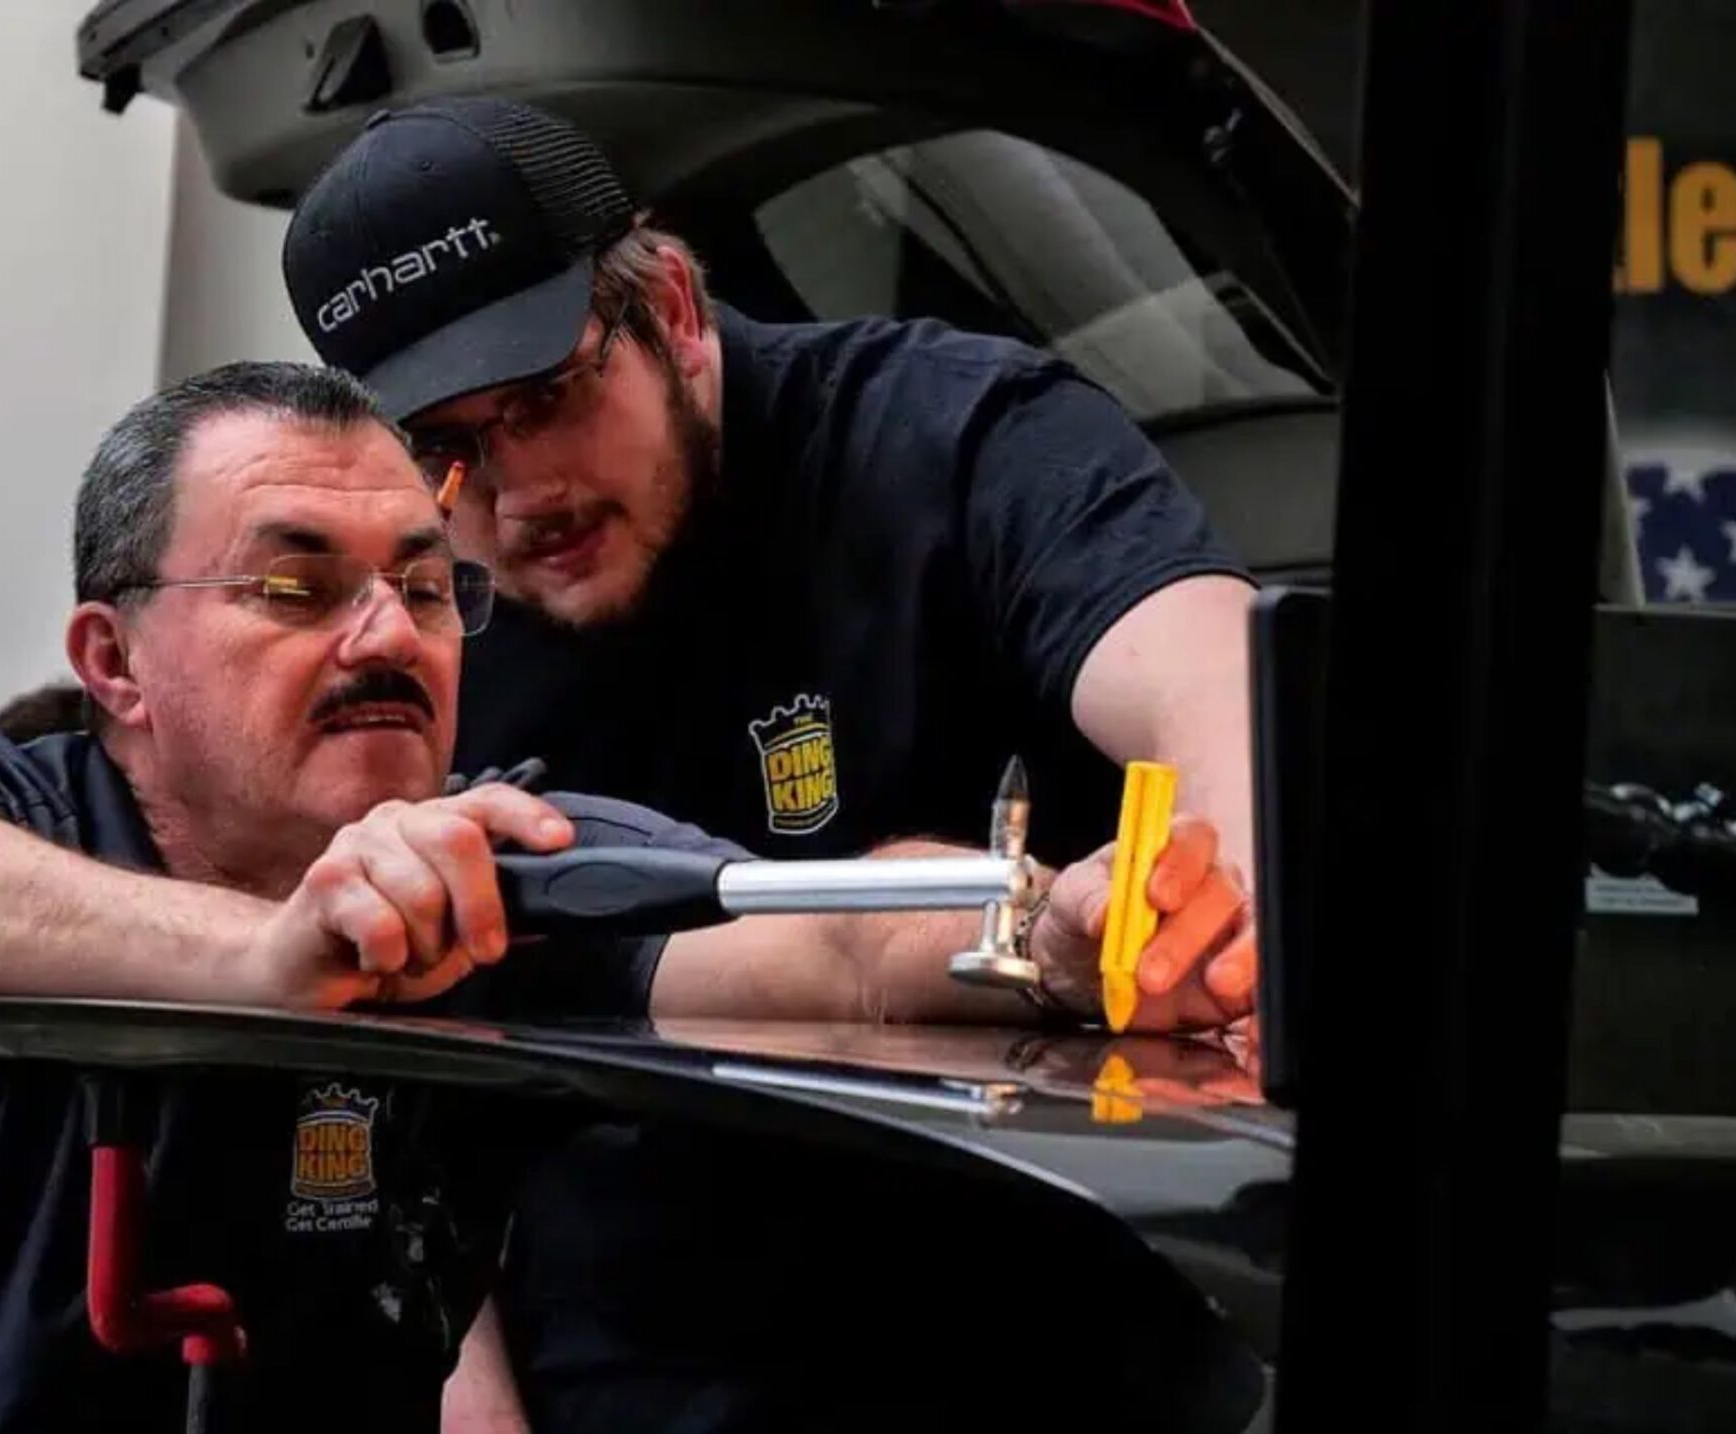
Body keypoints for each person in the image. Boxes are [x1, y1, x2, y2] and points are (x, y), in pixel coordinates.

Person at [0, 362, 1236, 1433]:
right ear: (113, 663)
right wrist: (266, 954)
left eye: (429, 590)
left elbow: (821, 941)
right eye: (293, 584)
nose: (386, 635)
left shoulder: (493, 863)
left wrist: (1057, 934)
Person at [282, 97, 1264, 1430]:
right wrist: (473, 1401)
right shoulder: (436, 618)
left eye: (546, 398)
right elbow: (404, 1069)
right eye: (448, 449)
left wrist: (1211, 883)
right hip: (624, 1368)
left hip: (1028, 1347)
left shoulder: (954, 436)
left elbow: (1215, 687)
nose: (521, 495)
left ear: (675, 307)